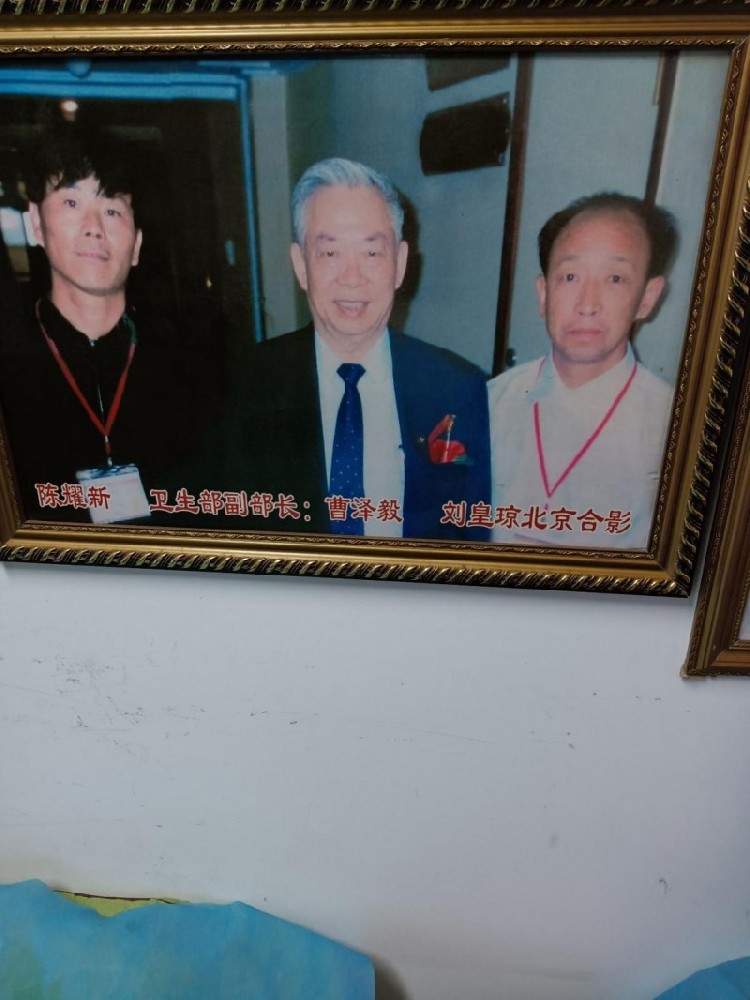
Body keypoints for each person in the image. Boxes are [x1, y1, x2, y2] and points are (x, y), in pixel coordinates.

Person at [228, 157, 491, 540]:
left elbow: (473, 540)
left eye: (371, 253)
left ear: (400, 263)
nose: (352, 278)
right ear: (300, 265)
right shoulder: (240, 387)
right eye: (330, 253)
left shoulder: (457, 389)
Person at [0, 122, 201, 525]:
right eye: (71, 202)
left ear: (137, 243)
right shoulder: (10, 367)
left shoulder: (190, 368)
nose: (94, 227)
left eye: (111, 209)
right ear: (36, 223)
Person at [489, 192, 678, 549]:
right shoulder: (488, 403)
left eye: (615, 278)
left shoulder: (677, 429)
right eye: (570, 276)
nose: (588, 305)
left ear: (647, 297)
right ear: (543, 294)